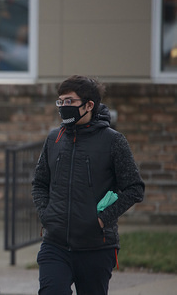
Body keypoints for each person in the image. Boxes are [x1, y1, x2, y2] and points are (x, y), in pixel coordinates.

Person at [31, 75, 145, 295]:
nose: (64, 107)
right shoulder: (54, 139)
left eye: (70, 102)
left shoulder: (113, 141)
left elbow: (134, 188)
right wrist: (47, 215)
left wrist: (101, 219)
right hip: (55, 244)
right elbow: (39, 183)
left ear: (89, 105)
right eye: (61, 101)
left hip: (97, 247)